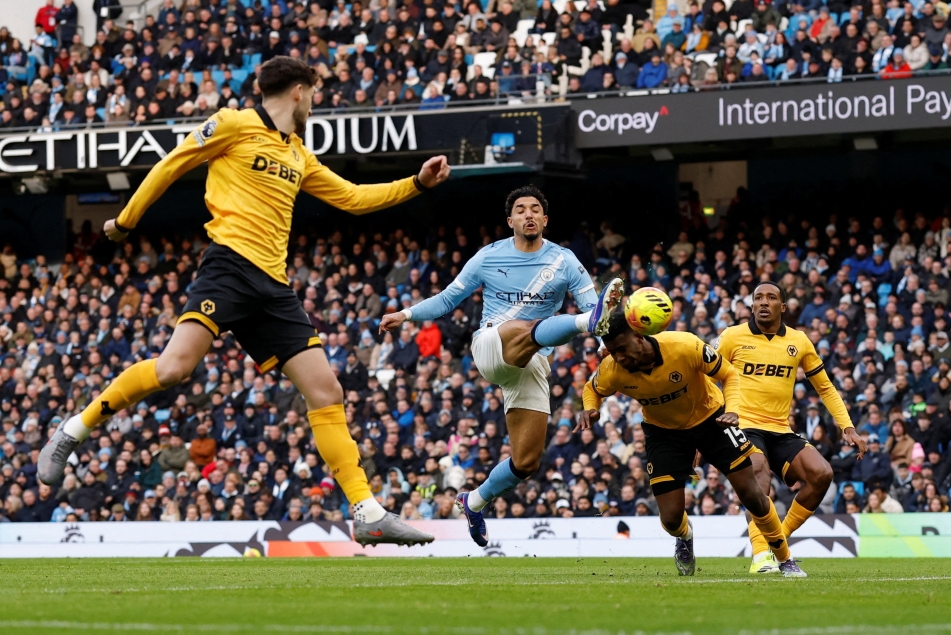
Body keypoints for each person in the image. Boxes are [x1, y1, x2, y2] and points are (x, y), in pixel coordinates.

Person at [37, 56, 444, 547]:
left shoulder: (298, 154)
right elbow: (172, 164)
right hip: (228, 268)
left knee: (326, 391)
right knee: (172, 371)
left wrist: (416, 184)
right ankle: (73, 430)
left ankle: (367, 510)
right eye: (313, 93)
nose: (315, 103)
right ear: (297, 91)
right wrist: (125, 221)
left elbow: (354, 199)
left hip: (274, 289)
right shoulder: (233, 123)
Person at [380, 185, 624, 546]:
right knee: (529, 327)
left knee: (526, 462)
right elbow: (448, 299)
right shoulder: (487, 257)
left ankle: (474, 500)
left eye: (535, 209)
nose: (529, 214)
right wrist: (405, 313)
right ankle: (579, 326)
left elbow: (594, 306)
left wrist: (609, 344)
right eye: (521, 209)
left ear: (545, 219)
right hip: (493, 345)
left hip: (532, 363)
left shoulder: (565, 260)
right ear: (510, 220)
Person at [578, 309, 806, 577]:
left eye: (621, 348)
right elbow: (591, 389)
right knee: (671, 518)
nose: (618, 357)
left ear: (639, 337)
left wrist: (732, 409)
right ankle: (685, 537)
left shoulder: (686, 346)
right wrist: (590, 408)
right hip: (663, 433)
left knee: (753, 495)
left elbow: (730, 374)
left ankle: (784, 558)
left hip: (712, 420)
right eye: (612, 351)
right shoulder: (612, 370)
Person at [716, 282, 866, 574]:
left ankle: (777, 543)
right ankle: (761, 555)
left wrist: (847, 427)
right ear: (751, 305)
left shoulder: (799, 341)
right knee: (758, 467)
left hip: (780, 428)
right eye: (758, 297)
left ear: (782, 307)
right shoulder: (732, 337)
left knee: (821, 474)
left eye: (771, 298)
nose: (763, 302)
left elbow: (825, 387)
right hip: (742, 423)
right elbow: (706, 378)